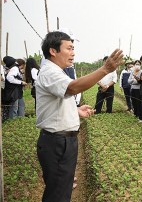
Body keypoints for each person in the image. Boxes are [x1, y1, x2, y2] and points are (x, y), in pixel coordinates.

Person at [36, 31, 124, 202]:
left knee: (61, 190)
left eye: (73, 48)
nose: (73, 53)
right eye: (69, 48)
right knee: (58, 195)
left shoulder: (57, 71)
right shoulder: (49, 72)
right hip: (57, 143)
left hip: (62, 142)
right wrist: (105, 69)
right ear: (53, 51)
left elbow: (56, 101)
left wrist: (76, 110)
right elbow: (72, 88)